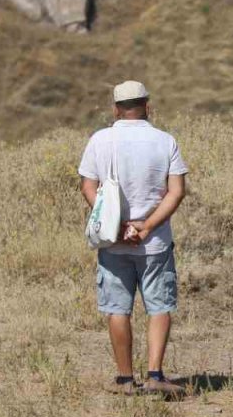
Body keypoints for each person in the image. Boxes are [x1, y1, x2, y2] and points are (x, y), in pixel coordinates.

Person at [79, 81, 189, 397]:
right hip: (154, 242)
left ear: (115, 108)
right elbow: (176, 191)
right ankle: (155, 375)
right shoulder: (165, 141)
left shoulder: (100, 140)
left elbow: (89, 186)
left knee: (117, 308)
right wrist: (147, 226)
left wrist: (117, 225)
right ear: (147, 105)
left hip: (112, 241)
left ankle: (126, 380)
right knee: (159, 307)